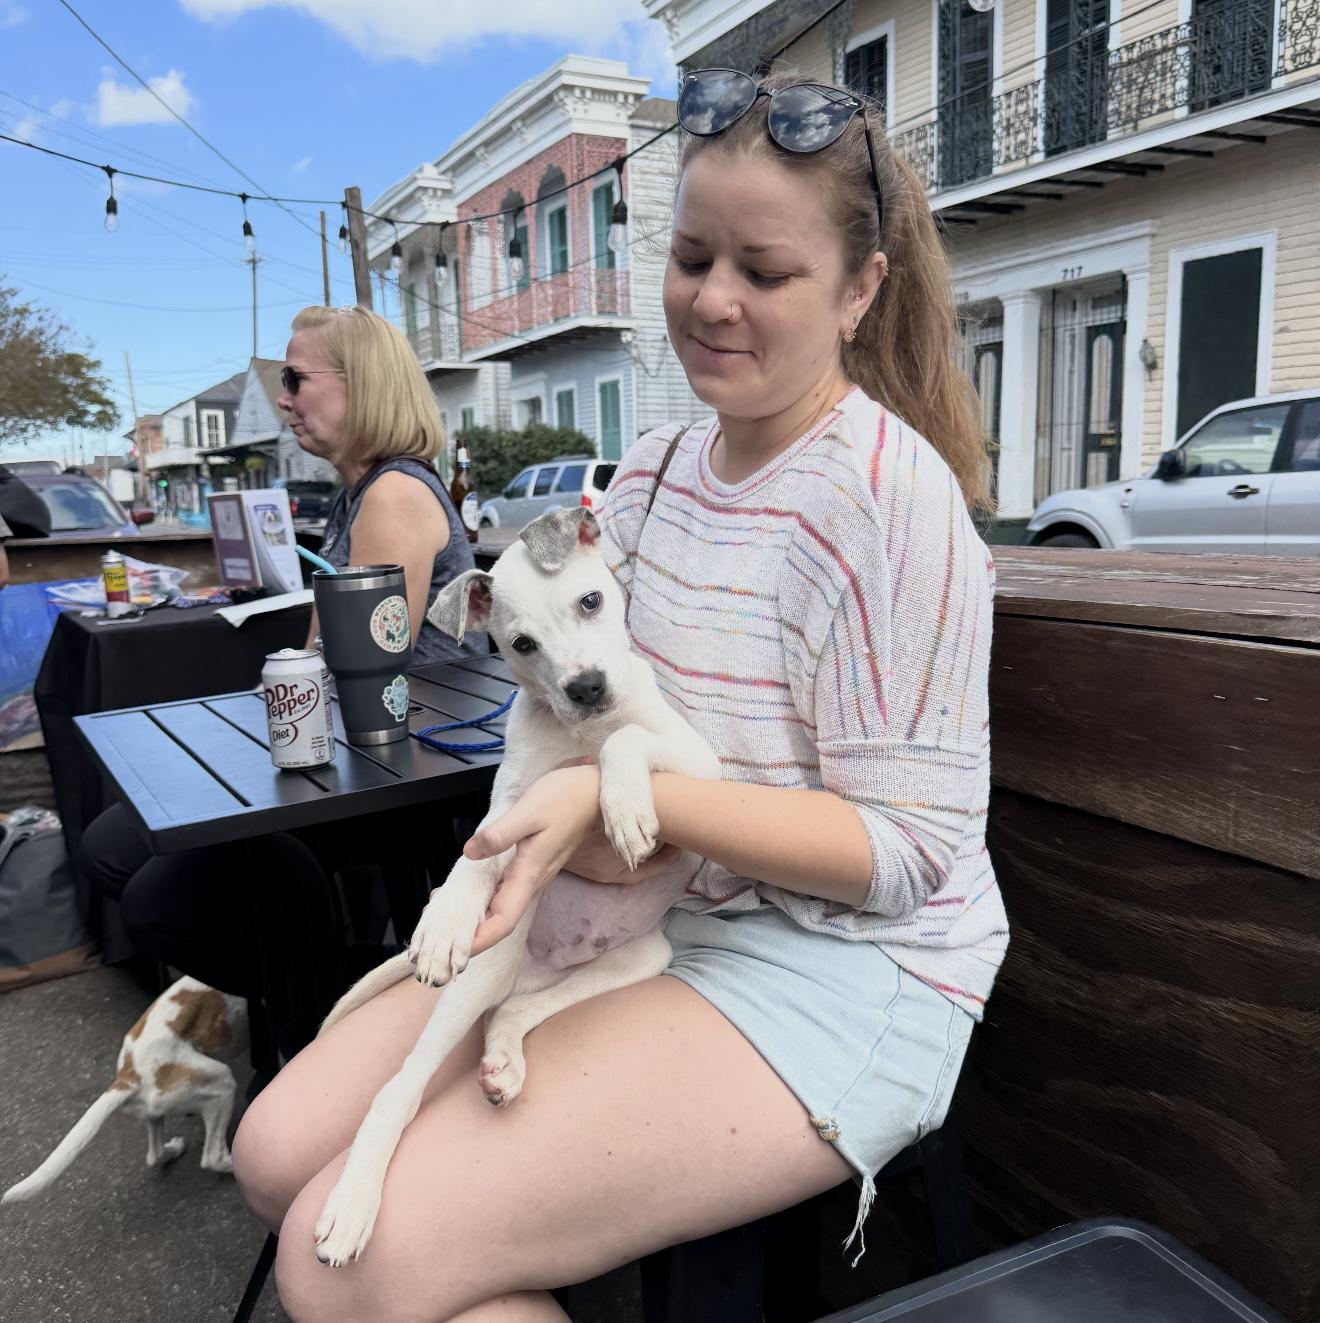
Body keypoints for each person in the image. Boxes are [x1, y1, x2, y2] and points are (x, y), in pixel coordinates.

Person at [233, 70, 1008, 1323]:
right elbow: (570, 693)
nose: (713, 299)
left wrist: (616, 794)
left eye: (765, 271)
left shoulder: (891, 503)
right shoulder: (648, 473)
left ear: (863, 290)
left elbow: (908, 855)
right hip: (651, 910)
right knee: (274, 1156)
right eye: (694, 256)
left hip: (841, 970)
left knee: (351, 1265)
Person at [81, 305, 486, 1055]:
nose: (285, 397)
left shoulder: (395, 495)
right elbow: (320, 654)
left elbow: (355, 664)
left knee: (155, 893)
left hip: (403, 771)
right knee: (114, 843)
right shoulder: (356, 492)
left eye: (297, 378)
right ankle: (316, 989)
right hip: (347, 760)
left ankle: (338, 1007)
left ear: (360, 385)